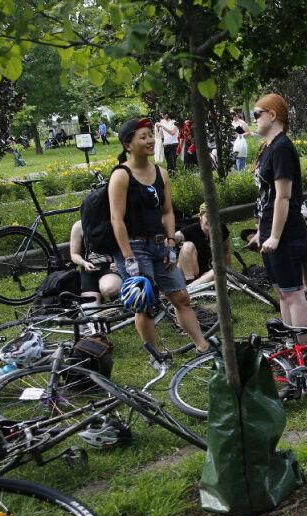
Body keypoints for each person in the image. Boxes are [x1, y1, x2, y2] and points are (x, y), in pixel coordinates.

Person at [108, 117, 210, 356]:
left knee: (181, 297)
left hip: (159, 245)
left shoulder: (160, 173)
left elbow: (166, 211)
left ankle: (202, 345)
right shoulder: (121, 175)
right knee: (145, 304)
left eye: (150, 135)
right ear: (128, 145)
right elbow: (116, 219)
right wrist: (128, 257)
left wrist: (171, 243)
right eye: (142, 137)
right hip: (133, 247)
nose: (150, 141)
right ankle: (156, 354)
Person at [245, 93, 307, 343]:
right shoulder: (269, 147)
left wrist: (274, 236)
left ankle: (303, 356)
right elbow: (265, 196)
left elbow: (283, 197)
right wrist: (262, 232)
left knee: (293, 292)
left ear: (272, 115)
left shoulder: (283, 148)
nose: (253, 119)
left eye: (256, 114)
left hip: (286, 231)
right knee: (282, 293)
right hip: (271, 228)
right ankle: (290, 348)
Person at [175, 202, 229, 288]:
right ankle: (190, 285)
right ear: (200, 217)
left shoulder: (221, 229)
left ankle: (191, 289)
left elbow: (226, 251)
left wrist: (229, 273)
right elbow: (175, 236)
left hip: (205, 273)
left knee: (218, 270)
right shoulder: (191, 230)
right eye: (207, 217)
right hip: (188, 272)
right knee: (187, 246)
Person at [68, 220, 120, 302]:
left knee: (109, 288)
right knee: (89, 310)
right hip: (89, 270)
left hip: (110, 268)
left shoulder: (113, 220)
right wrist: (84, 263)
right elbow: (74, 254)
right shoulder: (78, 226)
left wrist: (119, 262)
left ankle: (117, 297)